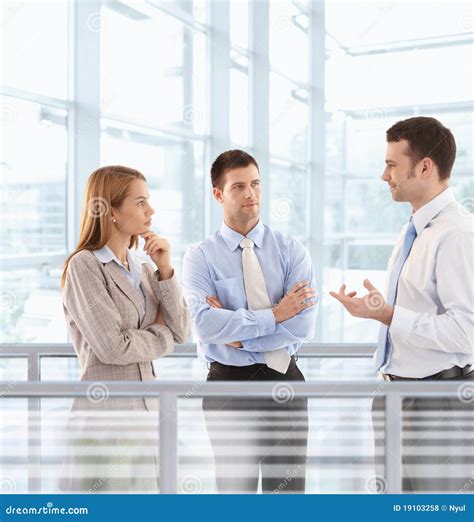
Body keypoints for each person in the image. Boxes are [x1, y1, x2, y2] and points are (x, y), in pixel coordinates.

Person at [330, 117, 473, 492]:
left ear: (425, 166)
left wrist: (391, 315)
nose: (384, 175)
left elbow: (467, 332)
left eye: (392, 164)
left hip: (437, 405)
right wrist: (379, 308)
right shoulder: (414, 229)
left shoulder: (457, 234)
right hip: (396, 396)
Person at [182, 150, 318, 493]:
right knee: (234, 495)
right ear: (218, 194)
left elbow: (302, 325)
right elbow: (204, 325)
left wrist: (240, 337)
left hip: (284, 380)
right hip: (229, 386)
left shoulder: (292, 251)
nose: (250, 194)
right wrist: (274, 315)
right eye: (239, 186)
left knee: (286, 496)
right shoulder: (200, 257)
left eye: (256, 184)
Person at [60, 165, 190, 492]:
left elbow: (183, 331)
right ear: (111, 211)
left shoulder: (144, 268)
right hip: (106, 419)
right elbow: (112, 347)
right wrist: (161, 335)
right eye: (141, 202)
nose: (151, 210)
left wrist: (165, 269)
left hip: (148, 417)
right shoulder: (85, 266)